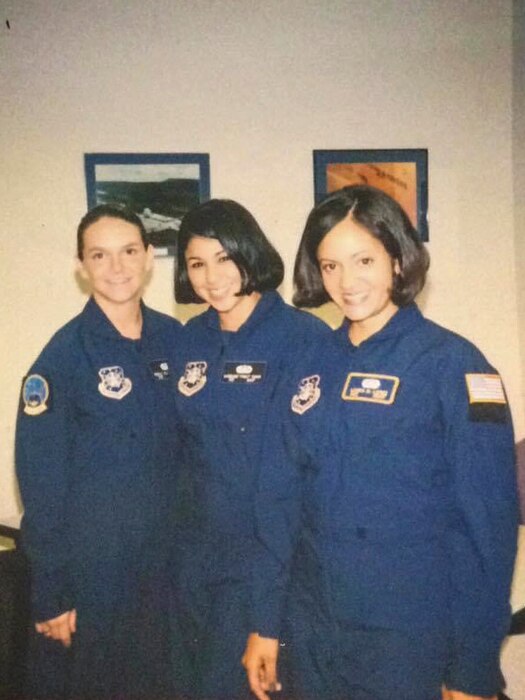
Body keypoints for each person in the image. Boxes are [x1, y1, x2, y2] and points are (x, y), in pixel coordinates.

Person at [243, 185, 519, 700]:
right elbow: (277, 503)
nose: (346, 282)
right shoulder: (308, 365)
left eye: (363, 259)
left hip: (408, 639)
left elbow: (488, 531)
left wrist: (472, 668)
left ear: (397, 259)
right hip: (314, 631)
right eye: (329, 266)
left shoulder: (454, 366)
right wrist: (266, 623)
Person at [16, 204, 181, 700]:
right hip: (94, 579)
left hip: (165, 573)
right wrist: (51, 592)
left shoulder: (175, 342)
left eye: (129, 251)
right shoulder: (63, 356)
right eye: (100, 255)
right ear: (81, 266)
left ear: (150, 256)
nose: (117, 267)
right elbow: (41, 487)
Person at [169, 198, 330, 699]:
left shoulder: (303, 339)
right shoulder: (188, 341)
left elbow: (301, 474)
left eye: (224, 258)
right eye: (197, 263)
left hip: (270, 566)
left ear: (250, 253)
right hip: (195, 567)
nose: (211, 277)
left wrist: (270, 611)